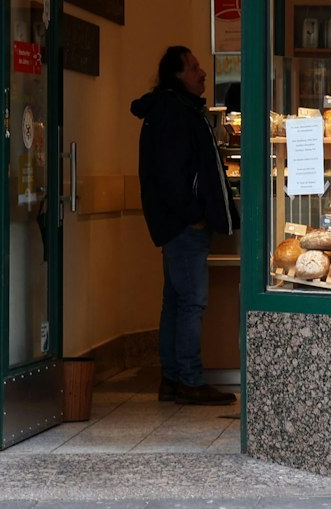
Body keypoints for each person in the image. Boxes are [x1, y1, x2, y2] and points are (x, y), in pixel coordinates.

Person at [134, 45, 239, 405]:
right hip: (183, 226)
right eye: (194, 68)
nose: (202, 73)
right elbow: (172, 175)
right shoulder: (175, 114)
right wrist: (194, 215)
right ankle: (190, 380)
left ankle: (172, 378)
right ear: (177, 75)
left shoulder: (169, 110)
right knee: (192, 302)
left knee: (176, 302)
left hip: (173, 223)